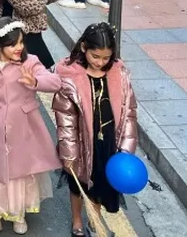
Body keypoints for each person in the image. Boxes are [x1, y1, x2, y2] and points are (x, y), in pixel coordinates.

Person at [0, 17, 62, 234]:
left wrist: (36, 82)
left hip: (23, 128)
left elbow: (55, 82)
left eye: (21, 42)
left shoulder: (30, 62)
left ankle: (18, 212)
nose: (19, 47)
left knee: (20, 171)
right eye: (13, 44)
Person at [53, 23, 139, 237]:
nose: (100, 62)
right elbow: (66, 120)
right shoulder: (70, 77)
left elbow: (129, 112)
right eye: (95, 56)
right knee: (78, 183)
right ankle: (77, 219)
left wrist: (126, 148)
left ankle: (95, 217)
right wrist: (69, 152)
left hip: (108, 141)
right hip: (81, 141)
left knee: (101, 182)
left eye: (106, 58)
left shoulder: (119, 74)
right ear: (84, 47)